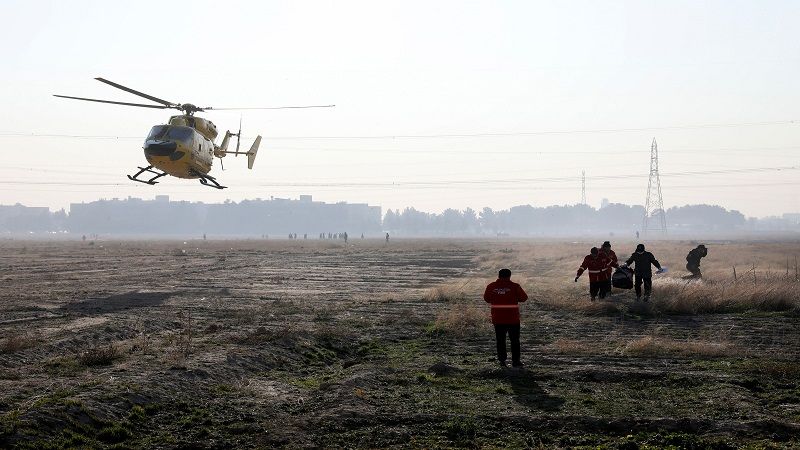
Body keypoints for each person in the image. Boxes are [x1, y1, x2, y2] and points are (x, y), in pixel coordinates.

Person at [483, 269, 528, 368]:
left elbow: (486, 299)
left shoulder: (491, 286)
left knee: (500, 340)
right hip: (513, 319)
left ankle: (502, 360)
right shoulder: (515, 286)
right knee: (515, 341)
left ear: (498, 276)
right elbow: (524, 298)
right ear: (510, 276)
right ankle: (516, 361)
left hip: (498, 318)